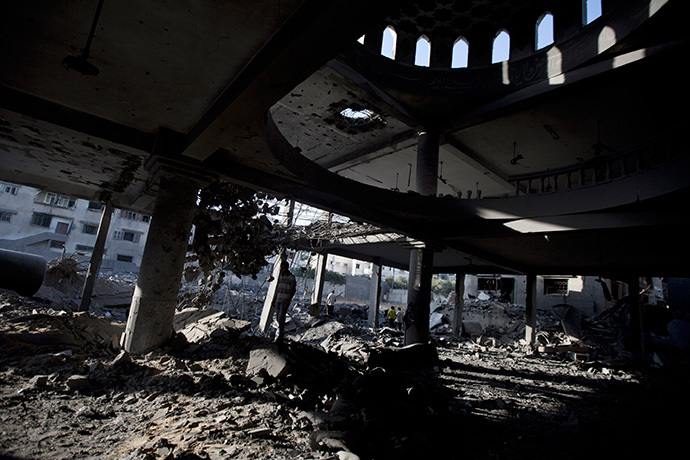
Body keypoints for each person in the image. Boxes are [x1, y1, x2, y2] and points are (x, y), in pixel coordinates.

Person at [271, 260, 296, 343]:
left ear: (287, 268)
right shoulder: (280, 276)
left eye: (283, 268)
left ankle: (280, 336)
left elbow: (293, 290)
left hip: (284, 300)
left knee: (281, 318)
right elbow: (278, 289)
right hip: (278, 299)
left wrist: (288, 301)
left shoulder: (291, 277)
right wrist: (274, 299)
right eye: (281, 268)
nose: (282, 269)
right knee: (278, 318)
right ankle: (278, 335)